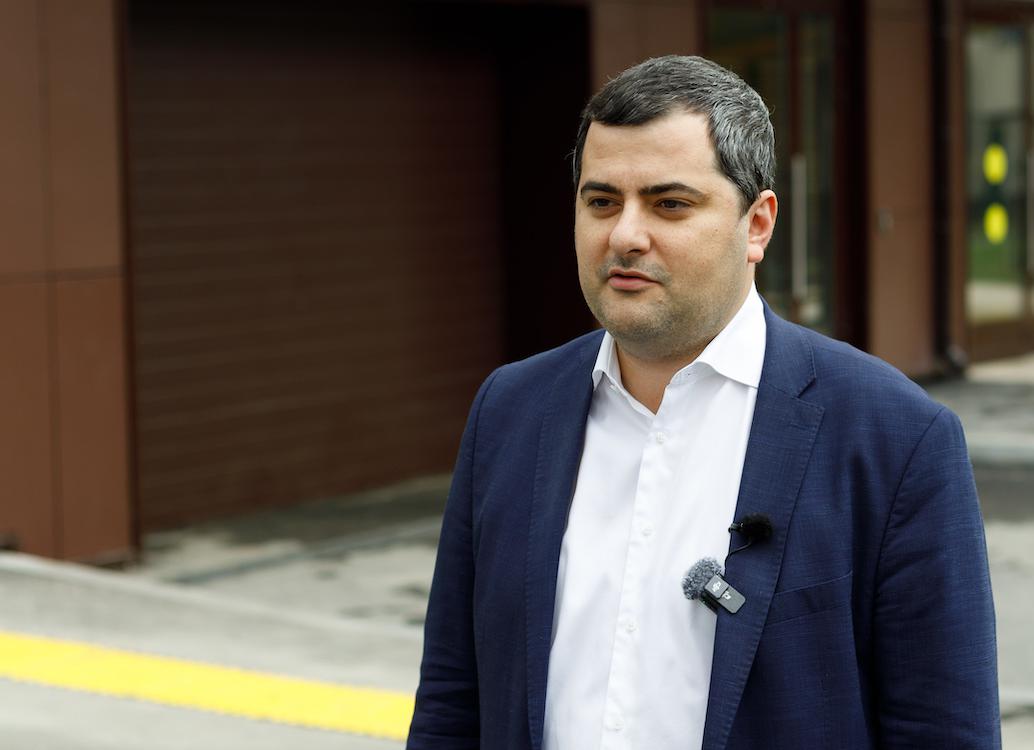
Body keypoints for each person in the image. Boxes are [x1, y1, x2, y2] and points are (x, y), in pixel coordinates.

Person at [407, 55, 1000, 750]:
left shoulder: (894, 438)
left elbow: (943, 729)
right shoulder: (510, 410)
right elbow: (453, 698)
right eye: (601, 202)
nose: (625, 235)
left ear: (758, 225)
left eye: (670, 204)